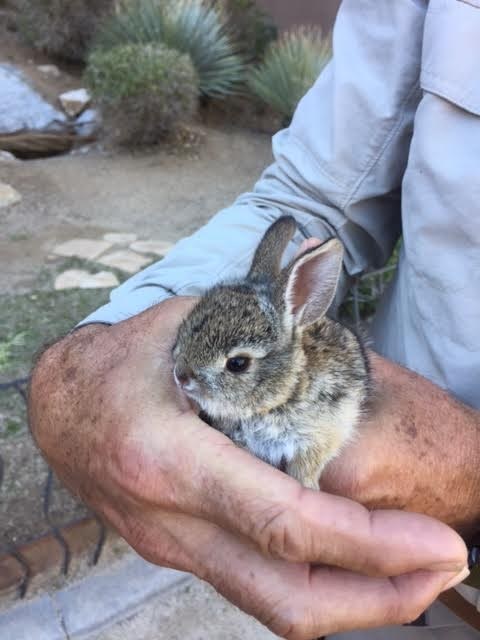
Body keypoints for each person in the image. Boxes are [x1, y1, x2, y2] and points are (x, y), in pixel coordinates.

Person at [29, 0, 480, 637]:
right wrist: (97, 353)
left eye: (239, 366)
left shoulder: (299, 375)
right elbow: (312, 198)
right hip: (386, 590)